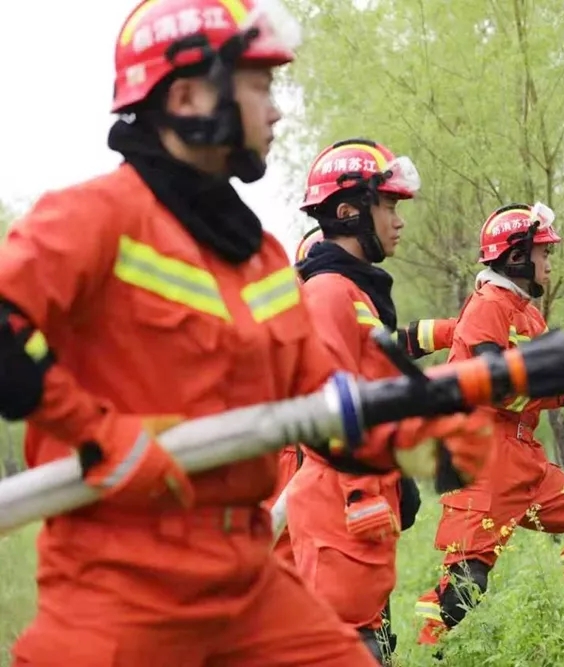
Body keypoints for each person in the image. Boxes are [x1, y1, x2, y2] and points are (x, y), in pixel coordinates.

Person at [0, 2, 491, 664]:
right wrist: (96, 432)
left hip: (246, 577)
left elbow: (319, 406)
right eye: (259, 86)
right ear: (186, 97)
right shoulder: (94, 217)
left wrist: (413, 441)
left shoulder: (259, 257)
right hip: (120, 583)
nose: (276, 111)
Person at [278, 141, 458, 664]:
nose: (398, 221)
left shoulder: (357, 295)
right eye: (389, 206)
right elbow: (326, 402)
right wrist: (361, 491)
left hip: (357, 502)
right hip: (339, 506)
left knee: (366, 639)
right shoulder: (329, 293)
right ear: (350, 211)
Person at [415, 202, 564, 648]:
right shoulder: (487, 307)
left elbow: (539, 377)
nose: (549, 262)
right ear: (516, 257)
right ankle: (424, 651)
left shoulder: (527, 313)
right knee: (463, 588)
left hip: (526, 460)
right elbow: (495, 388)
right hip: (484, 461)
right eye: (544, 252)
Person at [266, 222, 457, 575]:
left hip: (332, 452)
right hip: (305, 455)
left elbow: (384, 348)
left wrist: (447, 332)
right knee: (291, 562)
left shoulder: (343, 303)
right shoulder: (318, 306)